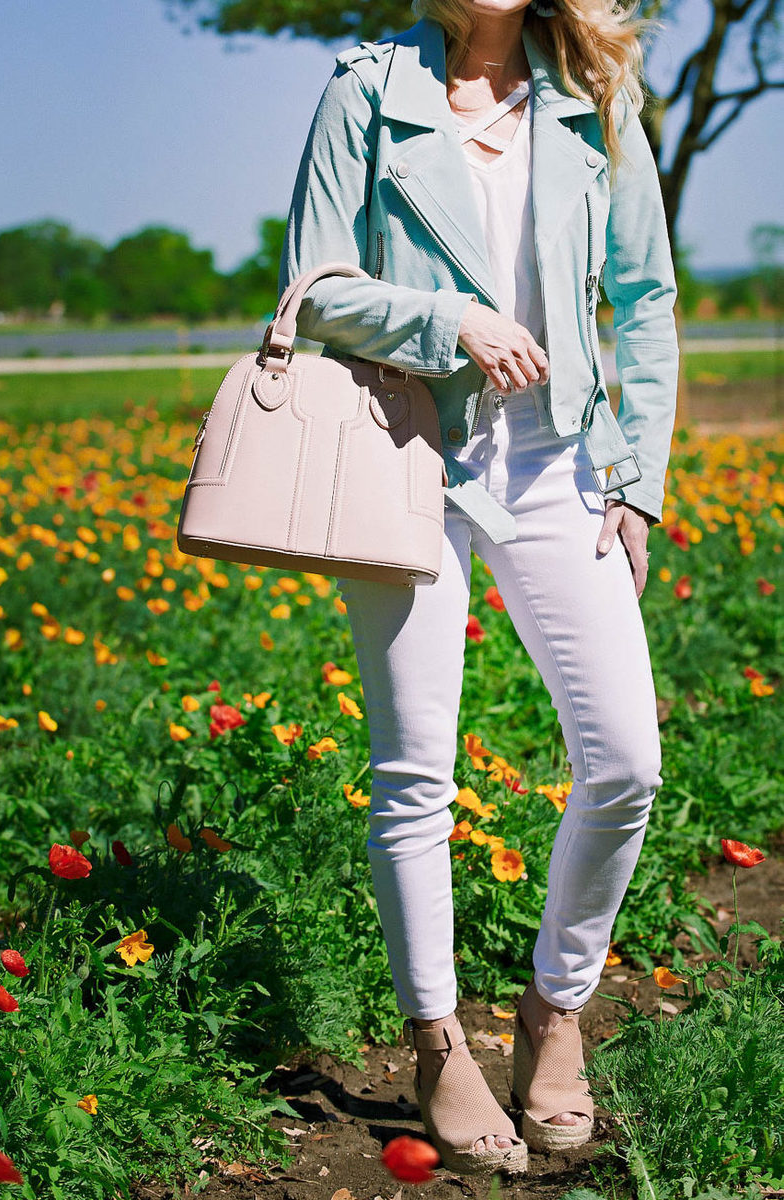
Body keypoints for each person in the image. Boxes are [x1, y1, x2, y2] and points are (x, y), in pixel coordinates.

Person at [278, 0, 679, 1177]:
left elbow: (643, 298)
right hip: (403, 455)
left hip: (563, 461)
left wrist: (639, 478)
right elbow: (315, 284)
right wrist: (448, 316)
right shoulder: (368, 86)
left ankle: (556, 1011)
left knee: (626, 761)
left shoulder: (590, 94)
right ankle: (439, 1040)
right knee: (416, 774)